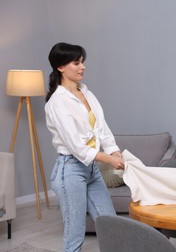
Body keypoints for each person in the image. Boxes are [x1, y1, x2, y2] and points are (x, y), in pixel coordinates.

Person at [45, 42, 125, 252]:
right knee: (75, 233)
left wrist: (114, 150)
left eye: (83, 62)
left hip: (91, 171)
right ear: (61, 67)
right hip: (70, 171)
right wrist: (109, 160)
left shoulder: (87, 94)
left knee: (110, 224)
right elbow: (77, 147)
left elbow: (102, 130)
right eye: (76, 63)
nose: (82, 67)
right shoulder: (57, 102)